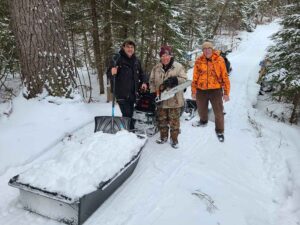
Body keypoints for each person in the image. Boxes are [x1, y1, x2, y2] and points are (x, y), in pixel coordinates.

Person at [149, 46, 187, 149]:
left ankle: (174, 140)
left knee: (174, 122)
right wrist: (153, 93)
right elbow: (152, 81)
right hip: (161, 100)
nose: (165, 58)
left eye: (167, 55)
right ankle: (163, 137)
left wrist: (175, 80)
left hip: (174, 100)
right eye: (163, 55)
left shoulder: (178, 67)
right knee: (162, 121)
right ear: (160, 57)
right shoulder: (156, 68)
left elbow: (185, 80)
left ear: (170, 55)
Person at [191, 41, 230, 142]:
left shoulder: (219, 60)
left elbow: (225, 76)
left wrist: (226, 93)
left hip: (215, 90)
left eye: (209, 48)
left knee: (218, 112)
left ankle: (220, 131)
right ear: (203, 50)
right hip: (201, 90)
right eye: (205, 49)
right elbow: (195, 76)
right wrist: (194, 91)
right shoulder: (199, 60)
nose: (207, 50)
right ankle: (203, 121)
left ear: (212, 49)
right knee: (201, 109)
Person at [107, 38, 147, 130]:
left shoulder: (136, 61)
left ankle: (127, 130)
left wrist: (144, 82)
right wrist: (111, 71)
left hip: (133, 93)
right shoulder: (117, 58)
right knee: (127, 114)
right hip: (122, 93)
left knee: (131, 113)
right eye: (128, 47)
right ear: (123, 47)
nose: (130, 49)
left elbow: (142, 73)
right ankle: (129, 132)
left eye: (132, 47)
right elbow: (109, 73)